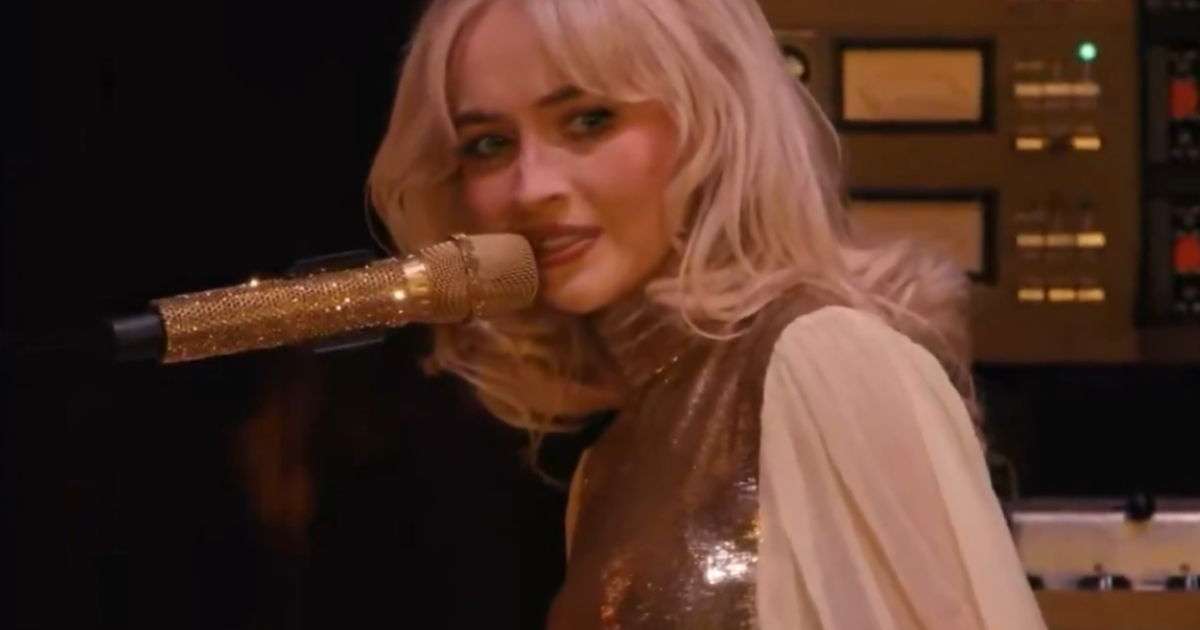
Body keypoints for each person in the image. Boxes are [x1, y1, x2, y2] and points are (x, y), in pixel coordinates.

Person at [367, 0, 1047, 628]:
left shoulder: (820, 360)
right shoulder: (611, 458)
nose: (531, 186)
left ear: (713, 119)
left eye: (589, 121)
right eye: (489, 145)